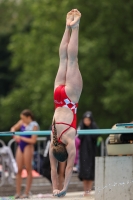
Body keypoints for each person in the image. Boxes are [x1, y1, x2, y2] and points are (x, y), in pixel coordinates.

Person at [49, 9, 83, 198]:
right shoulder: (52, 139)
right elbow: (54, 171)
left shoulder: (69, 141)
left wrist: (65, 189)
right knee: (62, 59)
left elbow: (69, 167)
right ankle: (67, 26)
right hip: (58, 97)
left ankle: (75, 28)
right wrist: (57, 188)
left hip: (70, 99)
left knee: (72, 61)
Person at [10, 109, 39, 199]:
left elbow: (33, 140)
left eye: (23, 118)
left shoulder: (34, 125)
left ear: (28, 117)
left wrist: (21, 138)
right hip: (20, 146)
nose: (22, 120)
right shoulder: (22, 122)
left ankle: (26, 192)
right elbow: (13, 128)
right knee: (19, 170)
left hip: (28, 146)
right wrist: (14, 135)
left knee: (28, 169)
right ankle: (18, 193)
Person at [78, 111, 99, 196]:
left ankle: (89, 190)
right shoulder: (81, 128)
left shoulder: (94, 127)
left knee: (90, 172)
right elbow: (79, 136)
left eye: (88, 120)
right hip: (83, 152)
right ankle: (85, 190)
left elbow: (96, 136)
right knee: (84, 171)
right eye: (85, 120)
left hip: (92, 152)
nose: (86, 122)